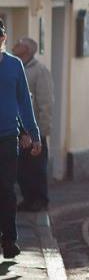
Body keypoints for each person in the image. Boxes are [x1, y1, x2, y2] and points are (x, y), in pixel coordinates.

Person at [0, 19, 40, 259]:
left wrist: (33, 134)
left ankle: (9, 239)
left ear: (3, 38)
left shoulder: (15, 66)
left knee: (6, 188)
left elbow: (25, 102)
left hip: (7, 136)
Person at [12, 38, 52, 212]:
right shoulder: (14, 67)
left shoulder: (39, 71)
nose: (15, 45)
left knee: (36, 168)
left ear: (27, 49)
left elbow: (46, 102)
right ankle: (28, 199)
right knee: (22, 169)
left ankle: (40, 200)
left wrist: (42, 132)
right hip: (18, 130)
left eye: (19, 43)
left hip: (34, 129)